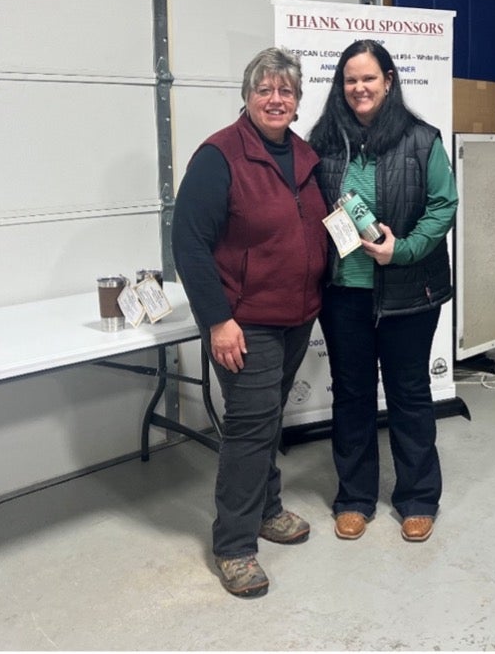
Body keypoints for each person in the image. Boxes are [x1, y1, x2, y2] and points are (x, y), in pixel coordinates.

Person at [171, 46, 328, 598]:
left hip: (296, 315)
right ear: (247, 96)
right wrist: (218, 320)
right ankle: (234, 546)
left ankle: (266, 509)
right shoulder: (219, 156)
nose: (275, 99)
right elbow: (189, 244)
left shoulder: (305, 157)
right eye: (265, 89)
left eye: (286, 91)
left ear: (298, 101)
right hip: (245, 322)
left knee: (266, 419)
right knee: (250, 427)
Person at [307, 39, 458, 544]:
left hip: (409, 290)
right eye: (350, 79)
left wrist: (404, 250)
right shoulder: (324, 142)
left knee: (408, 393)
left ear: (389, 81)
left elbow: (443, 205)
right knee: (351, 394)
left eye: (369, 78)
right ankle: (354, 498)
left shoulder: (421, 140)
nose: (359, 88)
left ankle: (418, 498)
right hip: (344, 293)